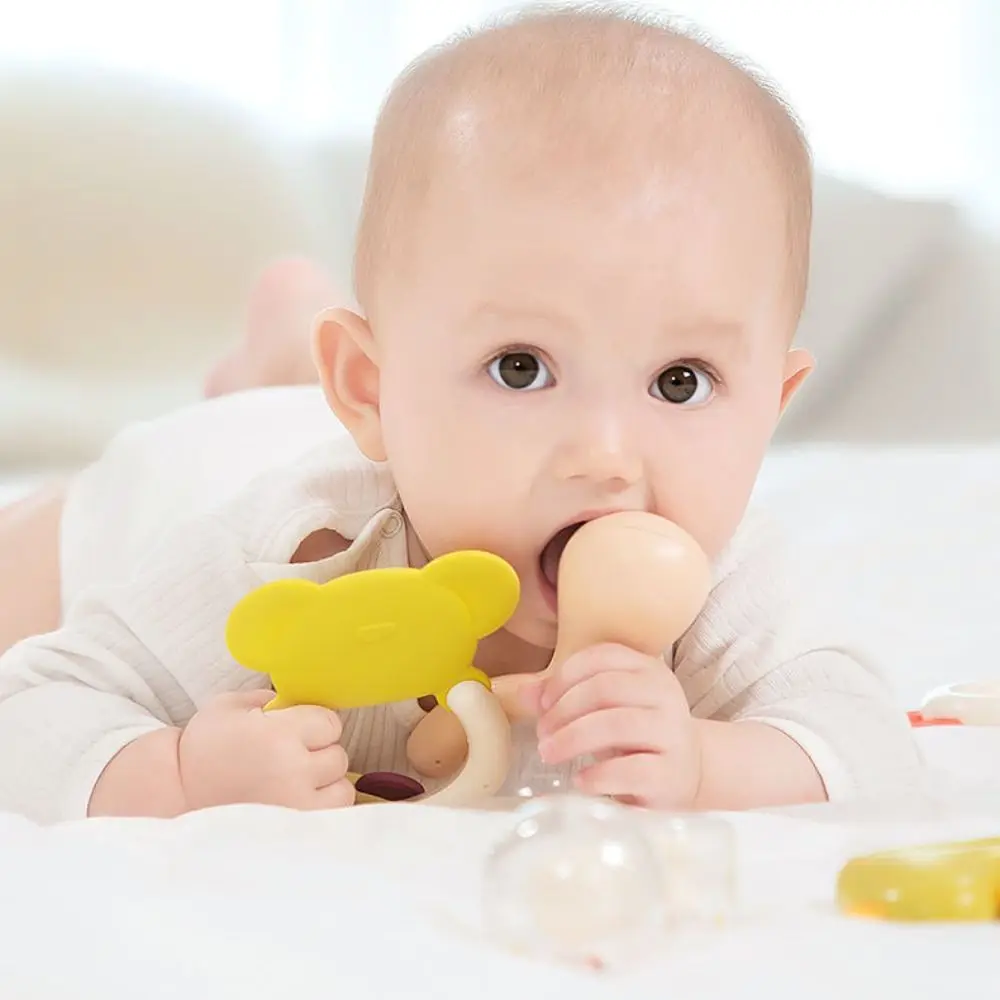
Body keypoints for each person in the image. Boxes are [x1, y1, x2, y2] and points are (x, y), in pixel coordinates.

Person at [0, 5, 923, 824]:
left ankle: (284, 348)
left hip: (344, 411)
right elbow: (37, 708)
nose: (607, 456)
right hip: (188, 475)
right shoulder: (291, 551)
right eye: (521, 368)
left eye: (680, 381)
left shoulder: (721, 582)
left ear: (770, 409)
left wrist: (712, 761)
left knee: (294, 394)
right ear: (368, 390)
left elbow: (865, 737)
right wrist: (176, 773)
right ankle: (275, 364)